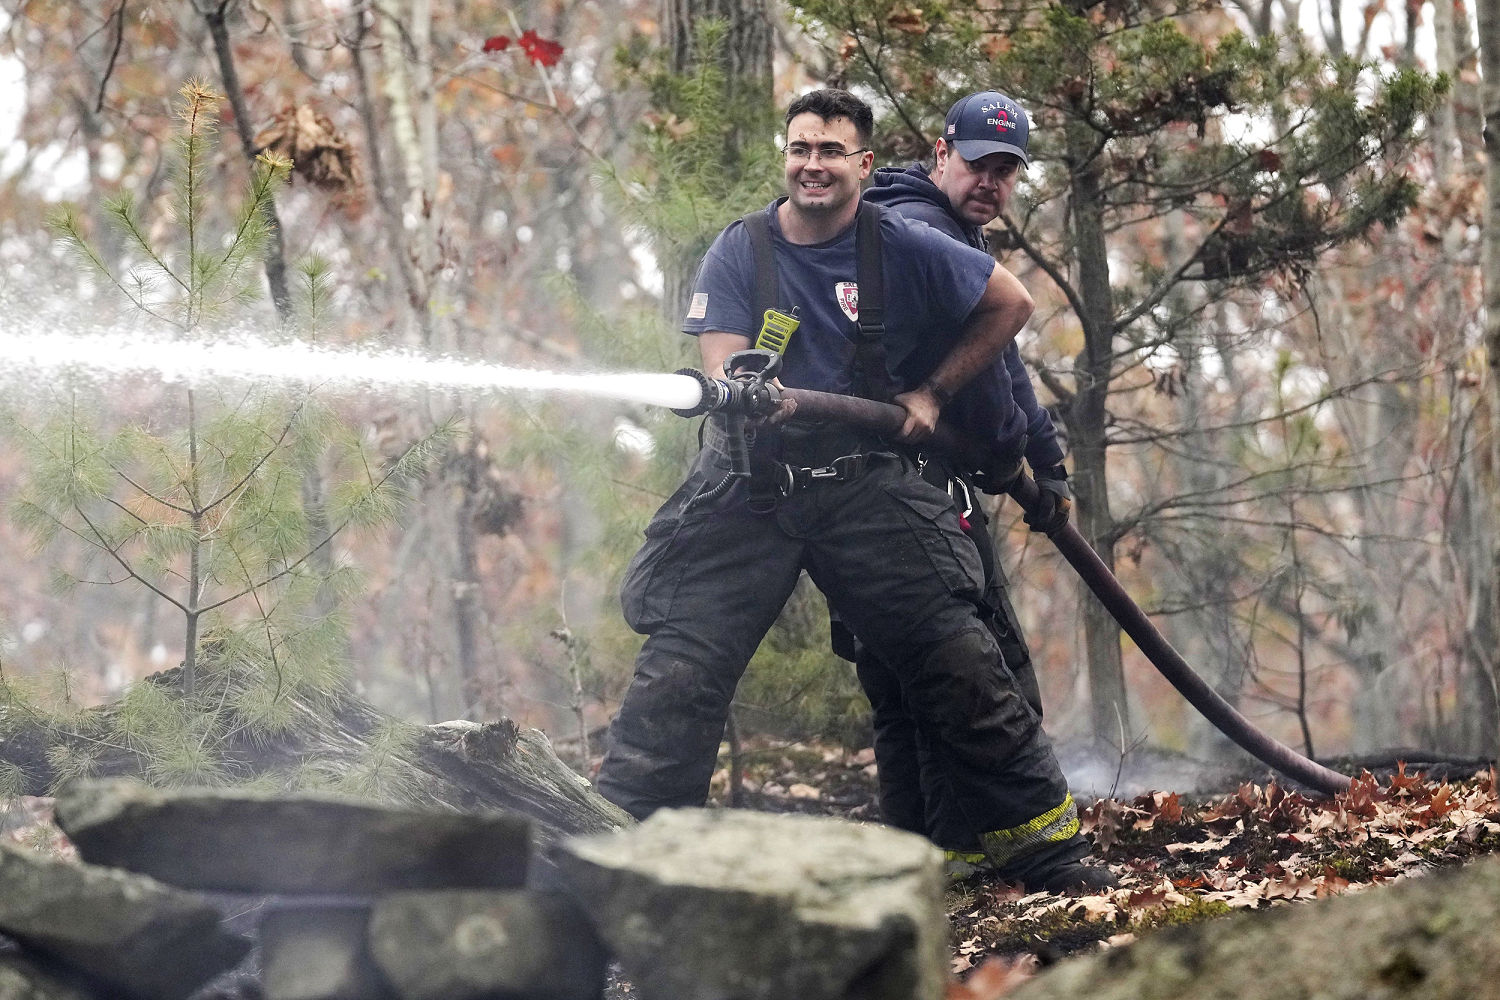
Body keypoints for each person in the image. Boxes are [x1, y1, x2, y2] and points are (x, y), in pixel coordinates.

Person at [595, 88, 1109, 892]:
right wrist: (740, 388)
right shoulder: (740, 250)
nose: (813, 164)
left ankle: (1047, 854)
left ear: (864, 165)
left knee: (959, 662)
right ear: (786, 157)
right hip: (747, 491)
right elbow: (722, 365)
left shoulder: (904, 244)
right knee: (679, 674)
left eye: (831, 151)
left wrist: (932, 395)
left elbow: (1010, 304)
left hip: (864, 486)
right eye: (801, 148)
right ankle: (617, 868)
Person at [844, 91, 1084, 880]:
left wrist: (1042, 462)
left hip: (915, 489)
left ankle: (935, 864)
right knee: (976, 682)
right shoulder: (909, 231)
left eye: (1007, 170)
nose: (992, 180)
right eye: (980, 162)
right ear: (942, 151)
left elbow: (1002, 360)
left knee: (915, 693)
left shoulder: (947, 231)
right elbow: (982, 387)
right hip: (899, 492)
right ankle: (985, 865)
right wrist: (1012, 454)